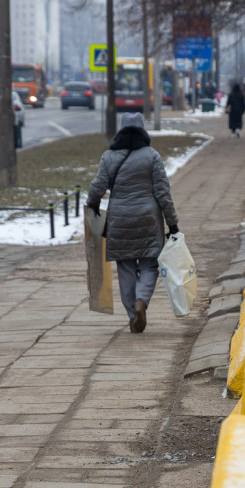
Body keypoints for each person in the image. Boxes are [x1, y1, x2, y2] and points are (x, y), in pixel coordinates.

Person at [86, 112, 179, 333]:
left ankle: (132, 315)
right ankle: (141, 301)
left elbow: (97, 186)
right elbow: (163, 193)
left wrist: (92, 205)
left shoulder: (108, 157)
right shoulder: (152, 156)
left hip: (119, 220)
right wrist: (172, 223)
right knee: (150, 264)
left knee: (126, 267)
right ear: (142, 130)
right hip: (148, 220)